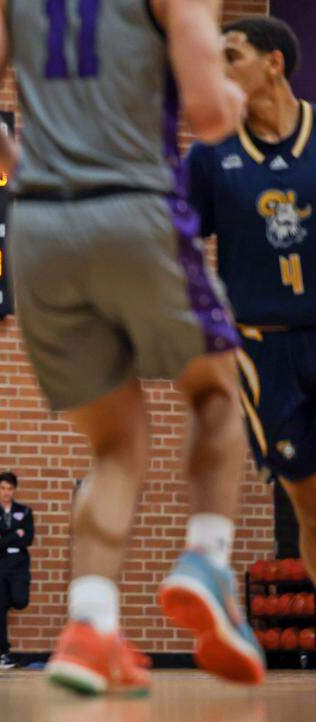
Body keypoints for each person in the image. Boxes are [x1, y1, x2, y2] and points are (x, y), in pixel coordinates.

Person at [0, 0, 263, 694]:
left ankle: (90, 625)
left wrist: (22, 166)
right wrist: (238, 94)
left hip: (38, 229)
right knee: (215, 391)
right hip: (135, 205)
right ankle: (207, 559)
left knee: (115, 443)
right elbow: (209, 114)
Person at [187, 16, 316, 585]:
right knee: (309, 504)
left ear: (274, 63)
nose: (218, 70)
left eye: (231, 56)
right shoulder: (211, 155)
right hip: (265, 353)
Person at [0, 472, 33, 670]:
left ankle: (9, 596)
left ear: (14, 490)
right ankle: (5, 653)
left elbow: (28, 540)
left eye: (10, 488)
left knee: (20, 600)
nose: (6, 492)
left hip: (18, 565)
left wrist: (1, 536)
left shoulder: (25, 512)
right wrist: (14, 535)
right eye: (2, 488)